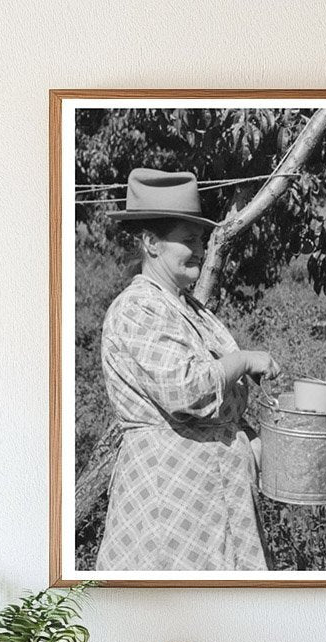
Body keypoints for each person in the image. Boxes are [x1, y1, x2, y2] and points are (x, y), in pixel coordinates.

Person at [94, 168, 281, 571]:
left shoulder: (188, 309)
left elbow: (215, 406)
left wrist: (249, 441)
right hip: (170, 496)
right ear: (151, 243)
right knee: (171, 604)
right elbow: (187, 391)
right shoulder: (138, 308)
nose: (199, 250)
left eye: (201, 240)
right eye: (189, 240)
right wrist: (243, 360)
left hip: (214, 497)